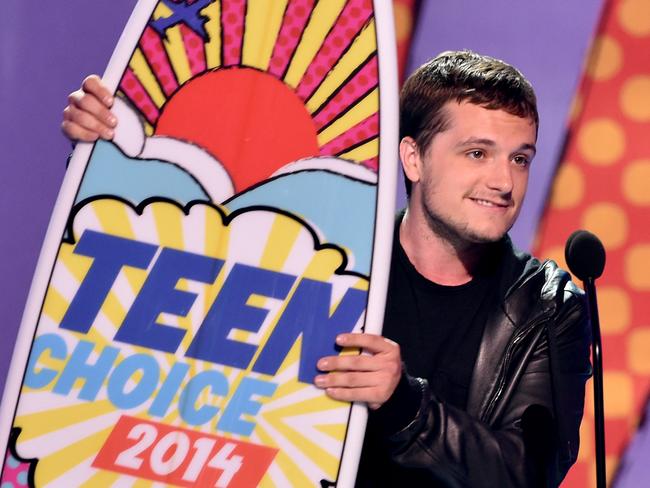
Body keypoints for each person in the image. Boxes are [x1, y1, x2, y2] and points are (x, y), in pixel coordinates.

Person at [62, 50, 591, 487]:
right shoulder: (325, 252)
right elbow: (169, 264)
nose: (504, 180)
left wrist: (406, 404)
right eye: (478, 153)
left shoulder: (546, 308)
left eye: (520, 158)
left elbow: (529, 473)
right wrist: (100, 158)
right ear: (413, 158)